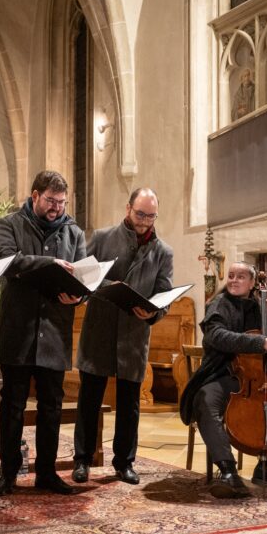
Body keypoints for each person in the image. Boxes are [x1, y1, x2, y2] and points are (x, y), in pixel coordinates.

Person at [178, 262, 267, 499]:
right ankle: (227, 471)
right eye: (231, 275)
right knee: (206, 402)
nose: (234, 280)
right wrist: (260, 343)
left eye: (241, 276)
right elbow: (217, 336)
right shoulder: (218, 304)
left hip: (258, 378)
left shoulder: (257, 306)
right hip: (221, 374)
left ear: (252, 283)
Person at [0, 170, 86, 496]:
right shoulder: (10, 224)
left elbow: (83, 277)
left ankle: (46, 472)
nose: (56, 208)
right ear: (35, 196)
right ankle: (8, 474)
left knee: (52, 407)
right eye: (50, 201)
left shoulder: (74, 232)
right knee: (12, 405)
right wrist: (49, 264)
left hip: (54, 332)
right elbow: (5, 261)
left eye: (61, 202)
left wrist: (79, 296)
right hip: (18, 331)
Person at [72, 188, 173, 485]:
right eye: (140, 214)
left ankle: (124, 462)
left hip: (133, 334)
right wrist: (103, 287)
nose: (144, 221)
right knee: (89, 400)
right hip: (100, 329)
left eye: (151, 216)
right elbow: (83, 276)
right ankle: (82, 459)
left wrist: (154, 312)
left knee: (130, 404)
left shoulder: (163, 251)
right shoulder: (102, 237)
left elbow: (164, 293)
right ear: (128, 208)